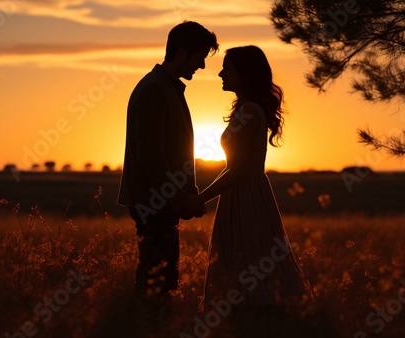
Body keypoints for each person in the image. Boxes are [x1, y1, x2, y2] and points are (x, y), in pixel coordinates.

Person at [198, 46, 313, 327]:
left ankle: (257, 323)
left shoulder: (249, 111)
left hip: (246, 196)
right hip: (244, 194)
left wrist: (199, 198)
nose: (222, 73)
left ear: (244, 72)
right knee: (251, 261)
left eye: (228, 68)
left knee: (249, 259)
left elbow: (237, 169)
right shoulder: (247, 108)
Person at [117, 21, 219, 302]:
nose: (202, 66)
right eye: (200, 58)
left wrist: (186, 194)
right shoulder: (155, 90)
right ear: (183, 52)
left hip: (162, 201)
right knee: (156, 282)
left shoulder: (165, 87)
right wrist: (179, 198)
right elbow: (150, 155)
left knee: (163, 280)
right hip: (155, 202)